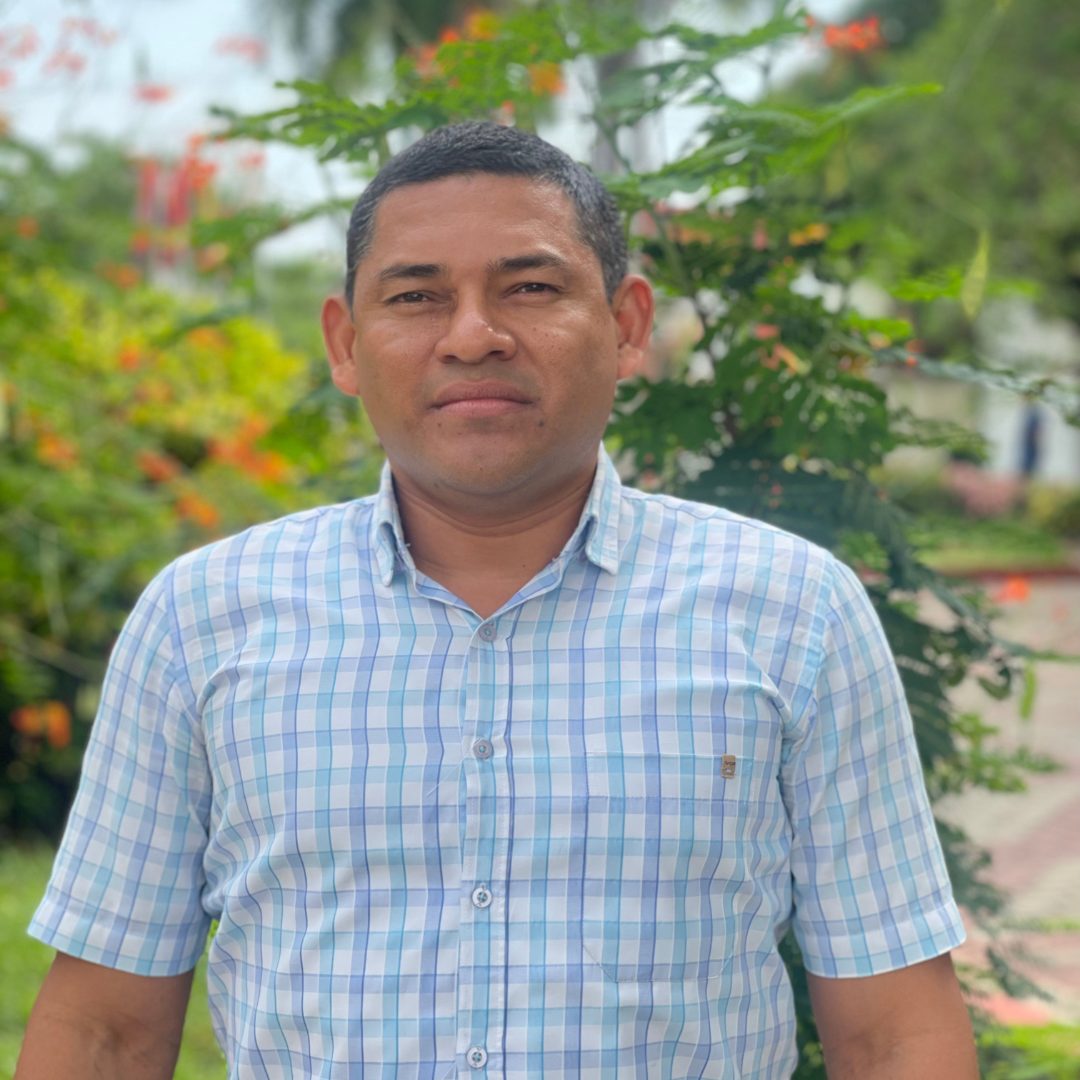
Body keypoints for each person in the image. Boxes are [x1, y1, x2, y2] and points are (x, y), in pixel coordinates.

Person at [17, 121, 977, 1078]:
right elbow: (105, 1032)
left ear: (628, 324)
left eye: (531, 288)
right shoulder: (200, 621)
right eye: (416, 297)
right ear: (345, 344)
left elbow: (895, 1035)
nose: (474, 336)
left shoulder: (794, 614)